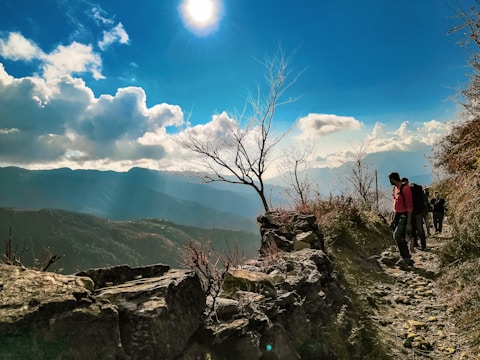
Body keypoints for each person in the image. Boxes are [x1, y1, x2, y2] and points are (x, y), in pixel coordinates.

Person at [389, 172, 414, 267]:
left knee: (397, 236)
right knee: (399, 237)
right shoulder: (395, 189)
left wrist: (408, 223)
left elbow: (410, 206)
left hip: (404, 216)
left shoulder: (405, 189)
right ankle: (406, 257)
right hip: (397, 215)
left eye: (390, 180)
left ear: (393, 179)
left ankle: (405, 257)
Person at [401, 178, 427, 250]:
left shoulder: (408, 189)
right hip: (418, 211)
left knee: (415, 228)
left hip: (412, 212)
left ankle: (416, 244)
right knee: (419, 228)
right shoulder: (417, 188)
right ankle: (422, 245)